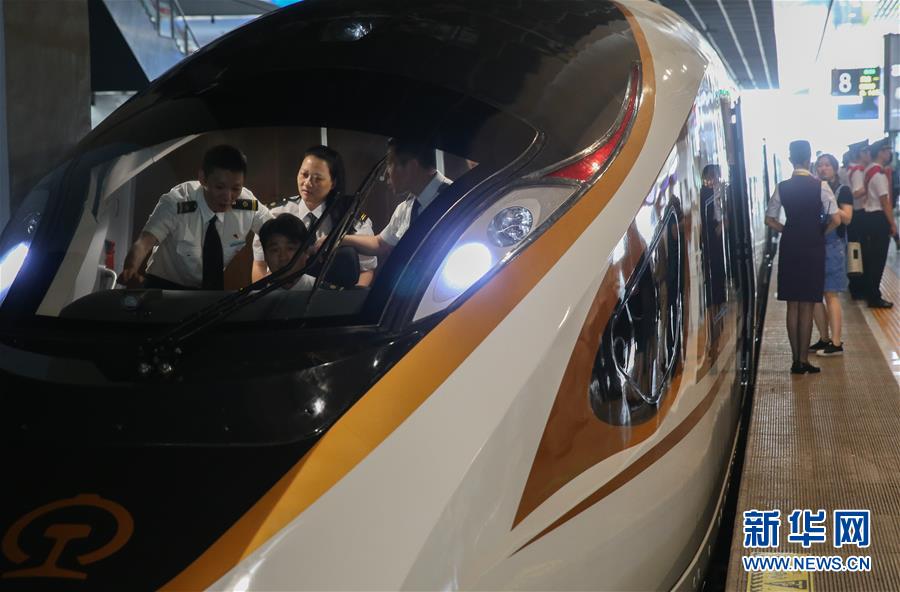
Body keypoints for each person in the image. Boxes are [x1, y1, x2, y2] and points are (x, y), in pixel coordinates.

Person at [120, 144, 271, 290]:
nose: (228, 196)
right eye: (220, 187)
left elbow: (276, 230)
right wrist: (130, 269)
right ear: (203, 178)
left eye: (236, 189)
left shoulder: (247, 205)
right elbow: (144, 242)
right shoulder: (178, 202)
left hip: (208, 291)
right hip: (164, 287)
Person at [251, 145, 376, 288]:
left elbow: (366, 269)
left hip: (332, 297)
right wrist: (264, 298)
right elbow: (260, 264)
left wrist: (347, 299)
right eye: (304, 174)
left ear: (333, 183)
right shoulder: (275, 213)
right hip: (281, 295)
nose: (307, 183)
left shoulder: (350, 218)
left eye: (318, 179)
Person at [765, 140, 840, 374]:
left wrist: (786, 230)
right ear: (809, 160)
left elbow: (769, 219)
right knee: (807, 304)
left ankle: (795, 361)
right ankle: (804, 361)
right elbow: (836, 219)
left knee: (792, 305)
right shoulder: (821, 186)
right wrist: (820, 233)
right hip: (812, 247)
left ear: (791, 160)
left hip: (790, 246)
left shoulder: (782, 187)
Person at [337, 138, 451, 261]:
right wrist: (337, 240)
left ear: (411, 167)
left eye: (390, 164)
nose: (386, 173)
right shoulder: (405, 208)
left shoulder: (454, 198)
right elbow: (380, 244)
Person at [810, 154, 853, 356]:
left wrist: (830, 202)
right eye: (820, 165)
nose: (823, 168)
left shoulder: (843, 190)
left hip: (834, 246)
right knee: (815, 295)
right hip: (816, 243)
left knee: (830, 293)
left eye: (827, 165)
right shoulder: (815, 188)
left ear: (835, 168)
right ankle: (824, 338)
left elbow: (847, 218)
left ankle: (836, 343)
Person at [860, 137, 897, 308]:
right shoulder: (879, 174)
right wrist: (893, 224)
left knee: (870, 258)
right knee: (878, 259)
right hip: (878, 218)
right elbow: (884, 201)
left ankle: (870, 292)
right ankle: (874, 297)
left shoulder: (868, 169)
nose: (889, 153)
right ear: (881, 152)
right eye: (887, 150)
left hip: (868, 216)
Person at [258, 213, 311, 290]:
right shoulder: (255, 296)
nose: (283, 257)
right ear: (265, 255)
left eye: (290, 248)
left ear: (306, 252)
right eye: (275, 250)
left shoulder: (325, 293)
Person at [845, 140, 868, 299]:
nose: (869, 155)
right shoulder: (859, 171)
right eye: (866, 152)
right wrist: (869, 186)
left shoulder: (851, 168)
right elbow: (856, 193)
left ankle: (855, 286)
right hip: (858, 215)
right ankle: (858, 287)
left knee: (854, 251)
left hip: (854, 216)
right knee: (859, 252)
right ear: (860, 153)